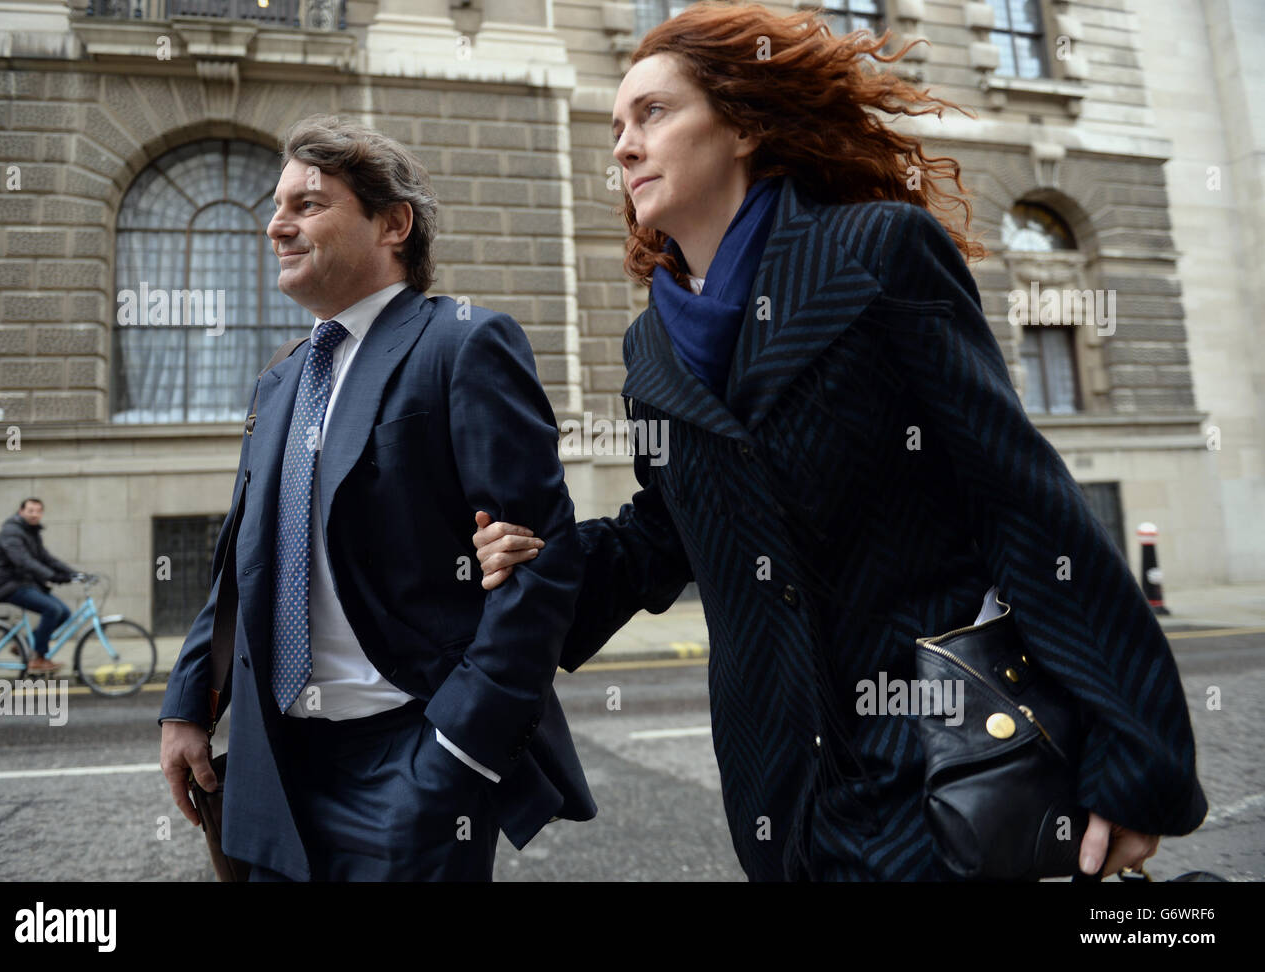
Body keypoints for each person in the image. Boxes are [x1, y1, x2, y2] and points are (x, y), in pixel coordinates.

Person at [472, 2, 1206, 881]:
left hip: (940, 763)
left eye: (653, 114)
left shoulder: (878, 252)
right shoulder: (651, 345)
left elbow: (1019, 499)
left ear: (742, 123)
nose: (622, 147)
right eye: (617, 127)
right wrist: (544, 566)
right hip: (781, 792)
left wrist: (1135, 750)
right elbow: (668, 530)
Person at [158, 115, 595, 882]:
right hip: (275, 765)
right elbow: (241, 557)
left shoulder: (461, 344)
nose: (275, 226)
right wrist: (188, 704)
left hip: (409, 765)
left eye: (308, 204)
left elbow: (537, 569)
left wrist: (456, 750)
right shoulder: (282, 376)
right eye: (276, 204)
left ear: (393, 223)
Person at [0, 498, 76, 674]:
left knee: (64, 613)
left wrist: (72, 573)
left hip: (24, 582)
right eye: (30, 510)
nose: (34, 514)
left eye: (38, 511)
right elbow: (22, 560)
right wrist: (51, 576)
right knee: (52, 609)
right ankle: (39, 658)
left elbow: (46, 558)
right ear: (21, 512)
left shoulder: (31, 532)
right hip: (8, 584)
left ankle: (26, 645)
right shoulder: (11, 531)